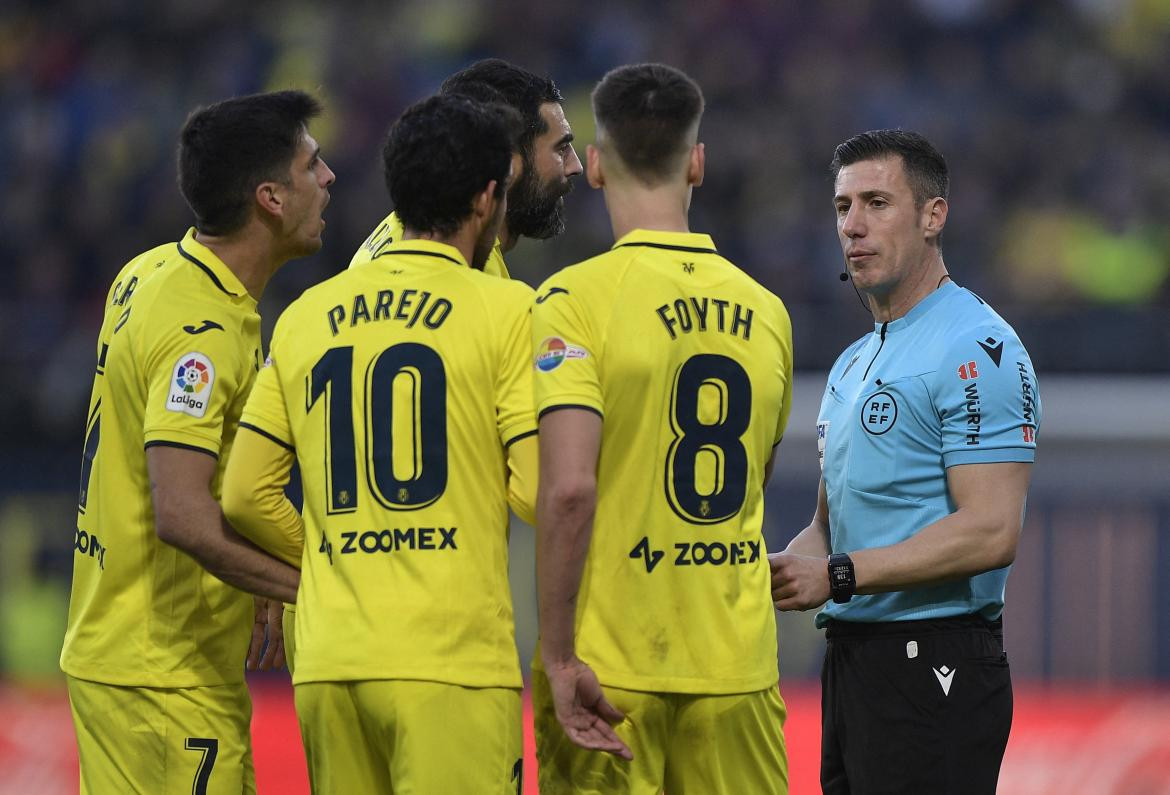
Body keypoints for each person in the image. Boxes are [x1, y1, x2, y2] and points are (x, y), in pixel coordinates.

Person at [221, 94, 538, 793]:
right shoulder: (508, 308)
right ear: (487, 199)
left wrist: (339, 557)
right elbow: (538, 489)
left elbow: (244, 492)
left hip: (331, 662)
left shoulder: (305, 317)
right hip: (449, 661)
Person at [61, 90, 334, 794]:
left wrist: (255, 574)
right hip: (160, 675)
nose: (329, 177)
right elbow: (179, 512)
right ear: (271, 197)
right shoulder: (201, 332)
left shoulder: (149, 272)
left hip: (129, 657)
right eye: (312, 165)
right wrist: (316, 587)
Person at [532, 63, 793, 794]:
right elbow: (754, 481)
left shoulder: (571, 301)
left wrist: (557, 654)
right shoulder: (767, 310)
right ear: (698, 163)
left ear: (593, 166)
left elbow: (570, 488)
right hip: (736, 668)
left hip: (612, 674)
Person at [769, 129, 1042, 794]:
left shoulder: (978, 345)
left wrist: (834, 575)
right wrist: (772, 572)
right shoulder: (853, 363)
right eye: (841, 207)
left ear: (932, 215)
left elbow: (991, 530)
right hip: (852, 661)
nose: (853, 226)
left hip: (937, 660)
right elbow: (829, 531)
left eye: (876, 203)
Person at [349, 57, 582, 277]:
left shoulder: (399, 233)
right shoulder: (465, 263)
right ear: (509, 161)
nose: (576, 166)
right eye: (561, 149)